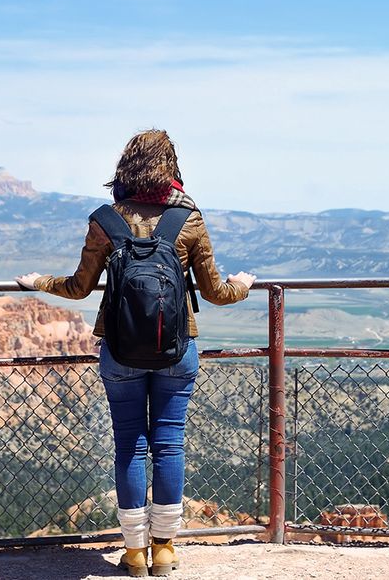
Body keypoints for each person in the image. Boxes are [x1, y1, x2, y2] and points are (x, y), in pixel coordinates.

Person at [17, 129, 255, 577]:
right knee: (169, 443)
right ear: (172, 168)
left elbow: (79, 287)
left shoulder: (105, 220)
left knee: (129, 445)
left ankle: (134, 553)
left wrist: (38, 282)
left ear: (125, 168)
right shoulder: (188, 219)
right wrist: (242, 285)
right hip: (176, 350)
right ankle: (164, 549)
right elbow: (215, 292)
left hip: (120, 351)